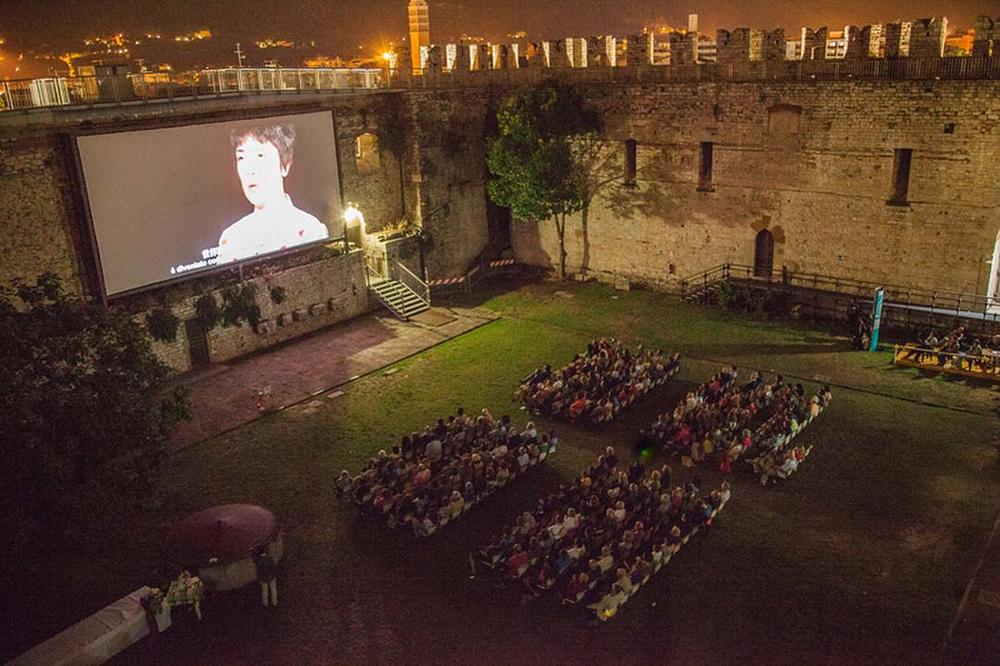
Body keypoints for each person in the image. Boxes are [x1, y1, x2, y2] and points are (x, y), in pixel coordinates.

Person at [217, 123, 329, 264]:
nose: (249, 169)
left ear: (285, 165)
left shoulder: (310, 230)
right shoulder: (231, 238)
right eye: (241, 158)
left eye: (260, 155)